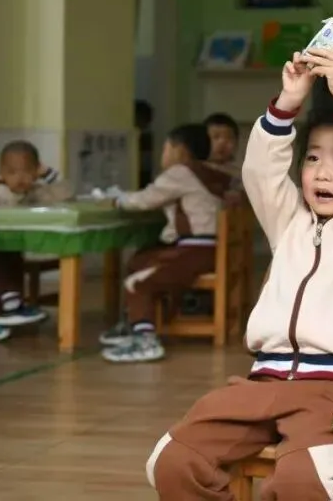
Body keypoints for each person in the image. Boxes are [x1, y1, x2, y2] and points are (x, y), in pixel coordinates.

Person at [146, 47, 333, 500]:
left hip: (332, 390)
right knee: (173, 460)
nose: (323, 173)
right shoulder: (289, 222)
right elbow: (261, 170)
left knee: (300, 483)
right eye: (313, 158)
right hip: (263, 380)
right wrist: (289, 100)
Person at [98, 124, 233, 363]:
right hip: (211, 250)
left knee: (137, 282)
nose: (164, 154)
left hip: (194, 250)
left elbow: (145, 199)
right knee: (141, 260)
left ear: (179, 151)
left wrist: (117, 200)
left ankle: (145, 338)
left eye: (165, 148)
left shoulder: (181, 172)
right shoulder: (214, 173)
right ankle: (136, 320)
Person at [0, 142, 73, 341]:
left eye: (27, 171)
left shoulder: (34, 192)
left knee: (11, 254)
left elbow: (66, 194)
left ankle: (9, 307)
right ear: (1, 173)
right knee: (3, 255)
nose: (19, 178)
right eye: (12, 172)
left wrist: (49, 174)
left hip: (8, 246)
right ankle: (10, 302)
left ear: (36, 172)